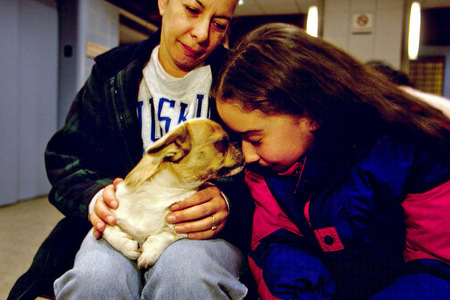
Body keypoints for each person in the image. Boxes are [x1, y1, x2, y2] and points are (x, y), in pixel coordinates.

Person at [8, 1, 255, 299]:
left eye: (220, 24)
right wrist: (95, 196)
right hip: (123, 223)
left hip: (200, 233)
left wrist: (230, 202)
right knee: (95, 280)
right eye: (192, 9)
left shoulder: (243, 80)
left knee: (187, 275)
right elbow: (65, 158)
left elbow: (272, 164)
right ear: (164, 2)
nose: (202, 33)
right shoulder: (111, 73)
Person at [213, 23, 450, 300]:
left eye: (254, 138)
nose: (248, 155)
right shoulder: (267, 170)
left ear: (311, 114)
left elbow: (438, 265)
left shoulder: (412, 148)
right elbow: (277, 245)